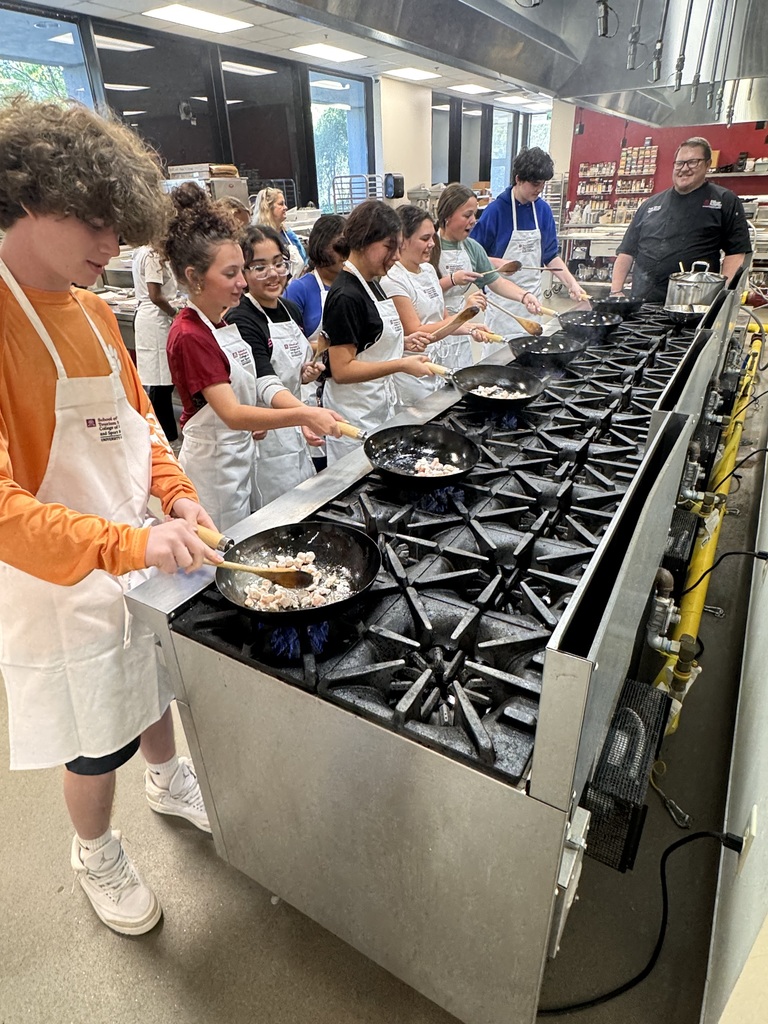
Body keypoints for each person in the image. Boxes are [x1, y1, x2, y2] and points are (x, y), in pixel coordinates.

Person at [0, 96, 228, 937]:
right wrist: (129, 539)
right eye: (94, 223)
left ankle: (169, 782)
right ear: (27, 197)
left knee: (154, 680)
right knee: (96, 732)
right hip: (54, 577)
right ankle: (93, 847)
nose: (112, 247)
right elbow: (3, 511)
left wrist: (175, 494)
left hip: (141, 546)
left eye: (118, 227)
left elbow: (140, 433)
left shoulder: (98, 312)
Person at [164, 184, 342, 530]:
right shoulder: (190, 334)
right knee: (217, 557)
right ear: (194, 277)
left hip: (240, 458)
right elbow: (230, 414)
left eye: (240, 271)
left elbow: (248, 386)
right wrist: (304, 414)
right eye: (231, 274)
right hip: (214, 469)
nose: (242, 284)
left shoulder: (221, 323)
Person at [320, 199, 434, 464]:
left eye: (398, 248)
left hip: (377, 405)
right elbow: (342, 369)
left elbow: (367, 341)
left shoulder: (373, 283)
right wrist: (401, 364)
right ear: (362, 240)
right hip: (354, 414)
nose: (395, 256)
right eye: (389, 247)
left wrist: (402, 342)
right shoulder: (345, 295)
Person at [225, 224, 321, 505]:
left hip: (296, 429)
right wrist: (306, 415)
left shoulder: (289, 309)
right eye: (260, 267)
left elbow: (285, 371)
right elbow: (264, 381)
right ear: (243, 274)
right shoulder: (242, 318)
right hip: (267, 438)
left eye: (278, 263)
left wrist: (304, 374)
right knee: (280, 511)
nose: (273, 274)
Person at [610, 137, 751, 303]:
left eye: (692, 162)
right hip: (642, 302)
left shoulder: (724, 200)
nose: (684, 169)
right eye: (679, 163)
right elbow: (627, 251)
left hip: (694, 303)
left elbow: (735, 253)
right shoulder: (650, 204)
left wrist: (722, 299)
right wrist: (616, 292)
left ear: (707, 164)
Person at [470, 146, 584, 339]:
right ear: (518, 179)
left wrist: (571, 283)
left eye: (543, 184)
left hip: (533, 302)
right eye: (534, 183)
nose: (539, 189)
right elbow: (473, 257)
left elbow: (550, 257)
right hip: (503, 305)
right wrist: (499, 264)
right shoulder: (496, 211)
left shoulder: (543, 211)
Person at [382, 204, 488, 407]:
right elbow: (417, 331)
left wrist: (469, 327)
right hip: (411, 376)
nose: (432, 244)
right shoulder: (393, 280)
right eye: (424, 239)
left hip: (436, 365)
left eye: (432, 237)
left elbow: (443, 319)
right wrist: (463, 316)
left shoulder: (429, 270)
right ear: (403, 240)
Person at [432, 184, 542, 362]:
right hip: (431, 328)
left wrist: (524, 296)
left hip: (462, 327)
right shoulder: (429, 246)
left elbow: (496, 282)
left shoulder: (472, 248)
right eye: (467, 215)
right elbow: (423, 293)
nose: (473, 220)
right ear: (447, 216)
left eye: (474, 215)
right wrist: (452, 280)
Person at [131, 244, 179, 443]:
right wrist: (175, 314)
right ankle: (167, 436)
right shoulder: (153, 256)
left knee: (160, 381)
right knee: (160, 383)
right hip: (155, 320)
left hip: (150, 317)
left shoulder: (142, 251)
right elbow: (155, 295)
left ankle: (163, 433)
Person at [284, 213, 348, 343]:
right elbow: (292, 345)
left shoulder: (355, 285)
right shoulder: (299, 290)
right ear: (321, 247)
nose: (345, 256)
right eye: (339, 249)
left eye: (348, 248)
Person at [251, 186, 307, 279]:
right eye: (281, 204)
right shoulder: (259, 237)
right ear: (268, 208)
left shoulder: (288, 234)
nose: (286, 207)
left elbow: (304, 259)